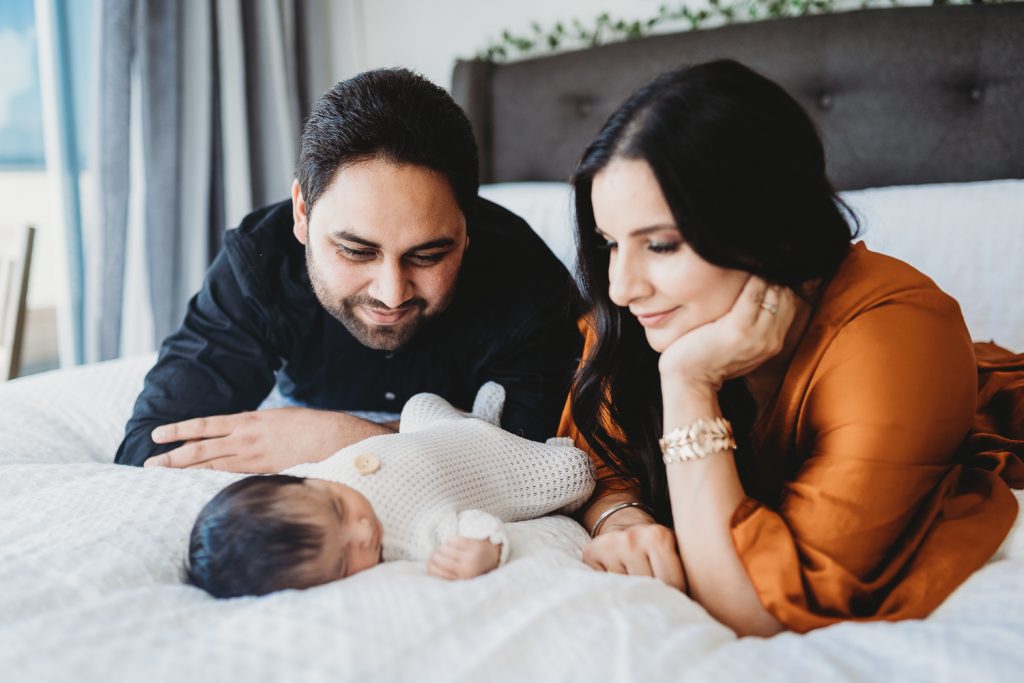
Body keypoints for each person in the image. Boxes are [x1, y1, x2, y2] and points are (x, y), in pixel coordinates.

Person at [558, 59, 1024, 636]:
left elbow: (755, 605)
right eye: (609, 244)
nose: (623, 287)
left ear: (768, 226)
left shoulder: (895, 333)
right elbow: (598, 459)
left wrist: (688, 383)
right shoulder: (640, 315)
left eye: (660, 245)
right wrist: (619, 517)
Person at [115, 68, 582, 470]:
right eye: (356, 252)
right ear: (302, 213)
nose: (392, 293)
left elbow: (540, 458)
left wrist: (341, 440)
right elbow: (151, 447)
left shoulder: (526, 278)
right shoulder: (260, 264)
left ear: (468, 229)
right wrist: (426, 436)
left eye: (427, 256)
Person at [185, 384, 595, 597]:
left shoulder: (310, 476)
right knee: (575, 474)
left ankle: (478, 416)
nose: (363, 531)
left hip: (430, 431)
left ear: (305, 483)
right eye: (346, 560)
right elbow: (469, 524)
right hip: (492, 462)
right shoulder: (407, 540)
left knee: (420, 401)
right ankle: (526, 442)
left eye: (339, 510)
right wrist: (485, 547)